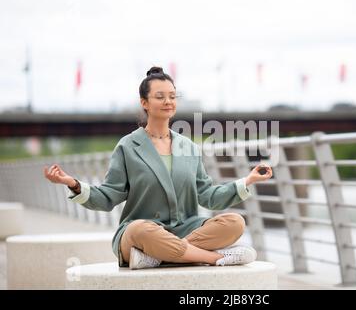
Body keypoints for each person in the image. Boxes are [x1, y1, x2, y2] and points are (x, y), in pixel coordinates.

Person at [44, 66, 273, 269]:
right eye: (160, 96)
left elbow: (208, 196)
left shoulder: (189, 147)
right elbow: (107, 197)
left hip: (184, 230)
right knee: (139, 229)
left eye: (172, 96)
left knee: (234, 223)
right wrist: (73, 184)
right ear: (144, 103)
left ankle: (157, 258)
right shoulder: (127, 146)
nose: (168, 102)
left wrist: (247, 181)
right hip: (143, 235)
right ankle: (214, 258)